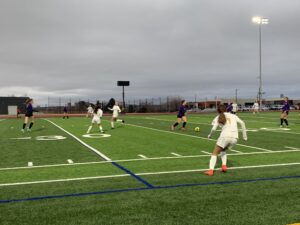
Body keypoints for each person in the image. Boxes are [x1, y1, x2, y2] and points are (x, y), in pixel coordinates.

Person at [205, 105, 247, 176]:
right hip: (235, 138)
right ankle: (224, 166)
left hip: (225, 136)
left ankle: (210, 170)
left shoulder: (218, 117)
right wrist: (244, 136)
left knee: (214, 153)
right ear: (226, 109)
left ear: (218, 111)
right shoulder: (233, 115)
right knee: (223, 150)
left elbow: (214, 129)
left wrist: (210, 135)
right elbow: (242, 123)